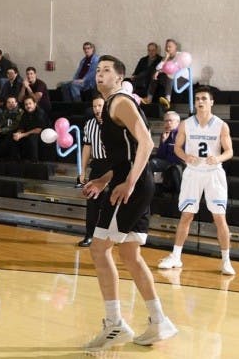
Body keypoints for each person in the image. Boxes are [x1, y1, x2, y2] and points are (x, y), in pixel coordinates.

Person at [81, 55, 177, 351]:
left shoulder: (120, 101)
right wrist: (104, 179)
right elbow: (126, 156)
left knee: (99, 249)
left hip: (132, 186)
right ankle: (159, 320)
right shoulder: (113, 105)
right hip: (132, 181)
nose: (100, 74)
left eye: (106, 70)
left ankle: (114, 324)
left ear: (120, 78)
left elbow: (147, 142)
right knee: (131, 255)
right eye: (97, 70)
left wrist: (129, 183)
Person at [157, 86, 236, 275]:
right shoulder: (186, 124)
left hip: (213, 173)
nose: (200, 101)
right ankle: (176, 256)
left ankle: (226, 260)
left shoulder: (221, 125)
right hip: (193, 172)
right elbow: (177, 148)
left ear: (211, 102)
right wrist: (185, 156)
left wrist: (218, 158)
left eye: (204, 98)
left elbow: (230, 151)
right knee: (186, 215)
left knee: (219, 217)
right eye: (198, 98)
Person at [77, 92, 107, 247]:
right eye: (95, 106)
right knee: (92, 202)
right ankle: (89, 235)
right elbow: (87, 148)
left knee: (111, 202)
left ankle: (110, 238)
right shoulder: (89, 124)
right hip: (97, 165)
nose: (97, 109)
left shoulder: (114, 122)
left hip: (113, 166)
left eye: (100, 105)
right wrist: (82, 170)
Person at [148, 111, 185, 195]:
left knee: (174, 170)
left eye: (170, 121)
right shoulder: (165, 134)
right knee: (152, 163)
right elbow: (160, 156)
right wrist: (163, 142)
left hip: (179, 163)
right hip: (167, 162)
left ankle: (179, 194)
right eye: (166, 121)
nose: (168, 123)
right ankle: (152, 189)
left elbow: (182, 154)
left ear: (178, 122)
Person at [144, 39, 180, 109]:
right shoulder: (166, 57)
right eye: (166, 47)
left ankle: (168, 100)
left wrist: (162, 71)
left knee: (169, 75)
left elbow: (174, 69)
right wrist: (165, 58)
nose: (167, 48)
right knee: (155, 75)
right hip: (168, 79)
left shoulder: (180, 56)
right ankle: (149, 98)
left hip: (178, 80)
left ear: (175, 47)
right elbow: (158, 68)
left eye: (170, 47)